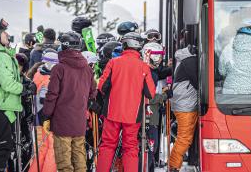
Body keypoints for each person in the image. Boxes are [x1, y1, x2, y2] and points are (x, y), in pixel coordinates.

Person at [0, 19, 36, 172]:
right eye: (4, 32)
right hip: (1, 107)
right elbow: (7, 84)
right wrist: (24, 88)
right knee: (4, 144)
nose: (7, 35)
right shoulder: (0, 56)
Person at [96, 32, 155, 172]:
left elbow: (101, 86)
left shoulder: (113, 62)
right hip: (133, 116)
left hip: (112, 112)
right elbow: (150, 93)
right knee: (130, 148)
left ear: (125, 45)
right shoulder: (143, 67)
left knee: (108, 145)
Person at [41, 32, 97, 172]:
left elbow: (52, 95)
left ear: (65, 46)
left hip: (62, 121)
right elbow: (93, 92)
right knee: (79, 157)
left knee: (64, 160)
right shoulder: (87, 69)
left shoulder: (59, 68)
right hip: (79, 121)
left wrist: (46, 115)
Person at [169, 44, 199, 172]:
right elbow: (198, 82)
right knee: (184, 138)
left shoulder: (186, 58)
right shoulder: (191, 61)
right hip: (185, 105)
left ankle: (174, 165)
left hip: (184, 102)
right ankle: (174, 167)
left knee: (183, 137)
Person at [29, 50, 59, 172]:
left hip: (37, 118)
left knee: (41, 149)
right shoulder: (50, 79)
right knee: (53, 149)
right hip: (49, 118)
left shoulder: (37, 75)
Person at [141, 42, 168, 172]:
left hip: (152, 112)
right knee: (152, 145)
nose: (160, 60)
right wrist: (164, 96)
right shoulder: (148, 72)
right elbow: (148, 96)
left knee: (153, 146)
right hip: (148, 113)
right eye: (157, 56)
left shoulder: (152, 71)